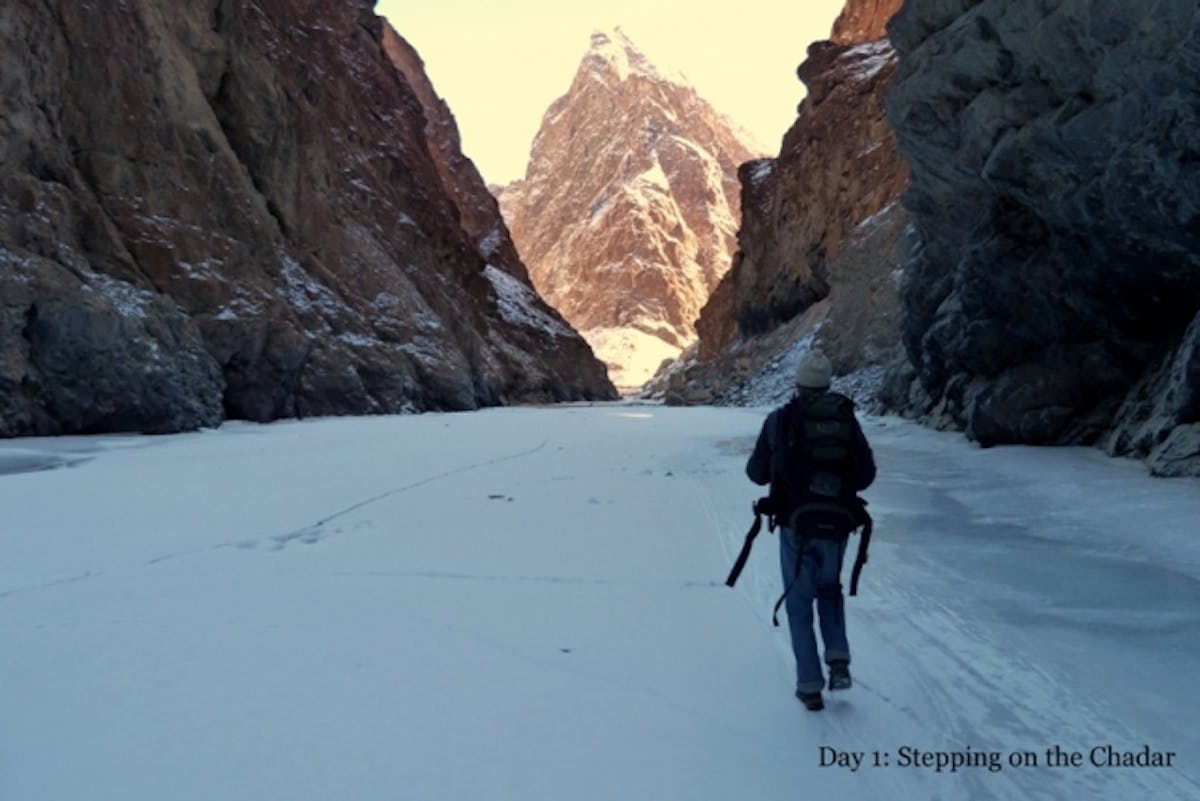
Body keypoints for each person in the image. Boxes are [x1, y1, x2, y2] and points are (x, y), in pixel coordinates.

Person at [745, 349, 876, 711]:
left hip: (794, 525)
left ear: (798, 383)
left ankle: (809, 685)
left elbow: (756, 473)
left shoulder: (779, 420)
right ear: (828, 383)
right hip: (837, 525)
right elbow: (865, 476)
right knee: (829, 591)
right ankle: (838, 658)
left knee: (799, 602)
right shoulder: (846, 420)